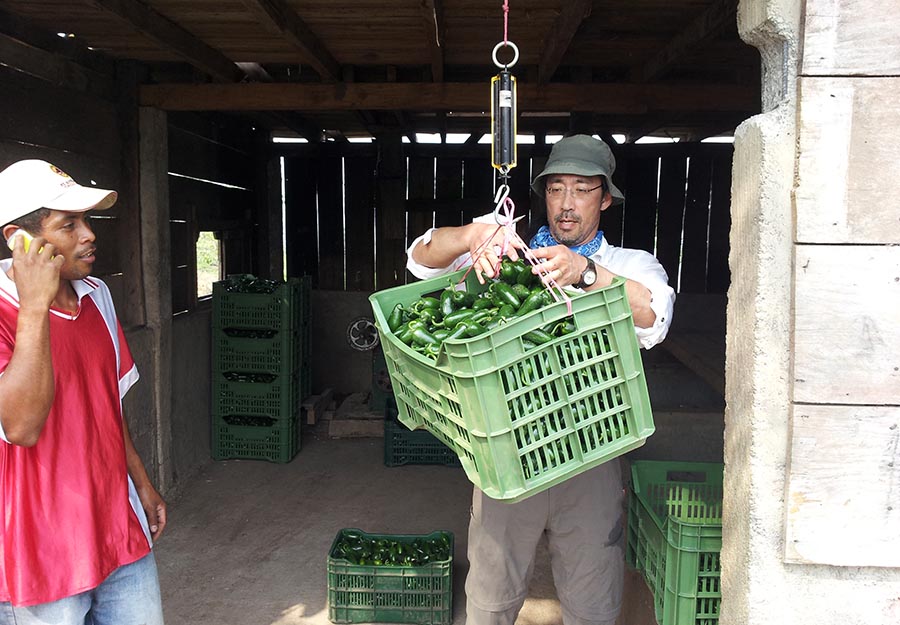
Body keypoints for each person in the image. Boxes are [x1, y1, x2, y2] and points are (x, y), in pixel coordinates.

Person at [406, 135, 675, 625]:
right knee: (490, 594)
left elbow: (655, 316)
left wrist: (586, 273)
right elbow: (421, 258)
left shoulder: (629, 265)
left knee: (593, 598)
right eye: (555, 189)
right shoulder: (507, 254)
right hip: (508, 452)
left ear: (605, 198)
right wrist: (470, 236)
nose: (566, 204)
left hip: (592, 450)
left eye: (582, 190)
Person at [0, 160, 166, 624]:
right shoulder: (4, 311)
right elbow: (20, 427)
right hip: (38, 553)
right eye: (68, 225)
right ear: (18, 238)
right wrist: (35, 306)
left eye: (87, 222)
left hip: (115, 529)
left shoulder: (96, 295)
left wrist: (141, 482)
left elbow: (106, 405)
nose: (89, 235)